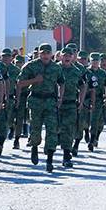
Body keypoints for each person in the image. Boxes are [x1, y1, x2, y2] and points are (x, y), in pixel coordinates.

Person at [16, 43, 62, 172]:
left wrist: (60, 98)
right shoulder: (30, 66)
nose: (45, 55)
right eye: (43, 53)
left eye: (48, 53)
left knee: (52, 130)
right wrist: (34, 80)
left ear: (51, 54)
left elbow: (61, 83)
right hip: (36, 101)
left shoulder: (56, 68)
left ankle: (49, 160)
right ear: (39, 53)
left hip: (50, 101)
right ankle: (35, 148)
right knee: (35, 130)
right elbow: (19, 83)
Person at [55, 48, 85, 169]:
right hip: (55, 104)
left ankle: (66, 156)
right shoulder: (54, 69)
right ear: (60, 56)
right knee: (55, 128)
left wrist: (81, 102)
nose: (67, 57)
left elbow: (83, 86)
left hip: (70, 104)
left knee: (68, 129)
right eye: (65, 55)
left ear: (73, 57)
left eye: (69, 55)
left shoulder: (77, 71)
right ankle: (50, 151)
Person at [83, 53, 106, 151]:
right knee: (86, 120)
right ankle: (88, 135)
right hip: (87, 98)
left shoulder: (103, 73)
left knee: (97, 121)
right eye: (93, 61)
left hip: (98, 99)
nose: (95, 63)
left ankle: (93, 139)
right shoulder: (86, 72)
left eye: (97, 61)